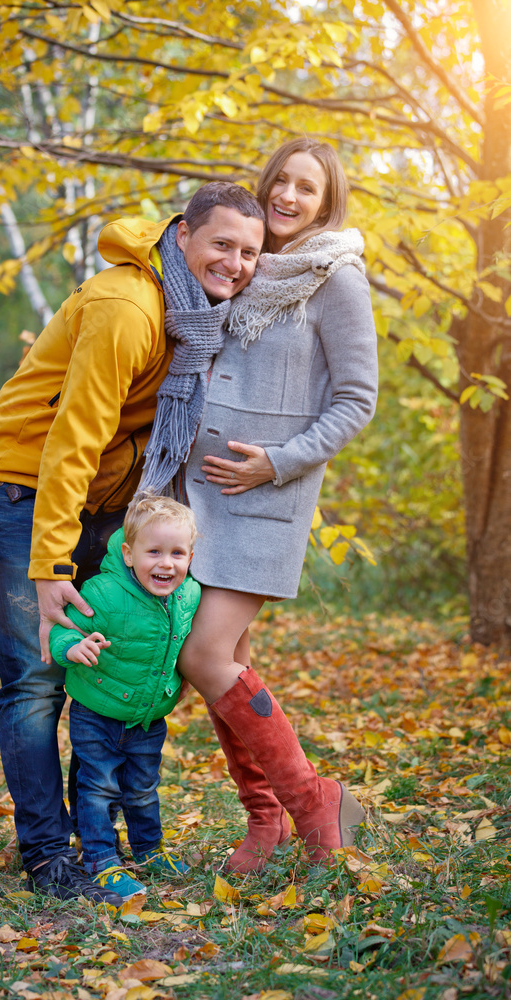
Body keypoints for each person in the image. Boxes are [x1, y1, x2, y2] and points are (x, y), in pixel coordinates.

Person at [0, 182, 266, 904]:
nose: (234, 262)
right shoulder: (129, 309)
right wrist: (49, 569)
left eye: (250, 252)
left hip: (104, 493)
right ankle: (46, 853)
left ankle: (94, 834)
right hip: (22, 483)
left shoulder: (195, 317)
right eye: (221, 243)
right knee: (39, 677)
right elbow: (72, 440)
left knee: (94, 670)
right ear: (184, 235)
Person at [161, 139, 379, 874]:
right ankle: (265, 820)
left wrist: (276, 464)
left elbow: (356, 400)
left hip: (265, 498)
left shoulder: (335, 280)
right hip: (199, 497)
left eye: (305, 188)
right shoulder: (246, 268)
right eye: (279, 180)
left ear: (326, 203)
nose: (287, 196)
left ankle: (315, 800)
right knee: (231, 661)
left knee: (203, 655)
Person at [48, 494, 199, 901]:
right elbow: (64, 628)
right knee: (98, 787)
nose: (166, 563)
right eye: (154, 552)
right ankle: (100, 859)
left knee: (143, 787)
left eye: (177, 553)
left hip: (148, 719)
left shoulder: (189, 597)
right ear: (129, 554)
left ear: (190, 555)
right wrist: (71, 648)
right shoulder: (103, 592)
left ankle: (149, 851)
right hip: (96, 712)